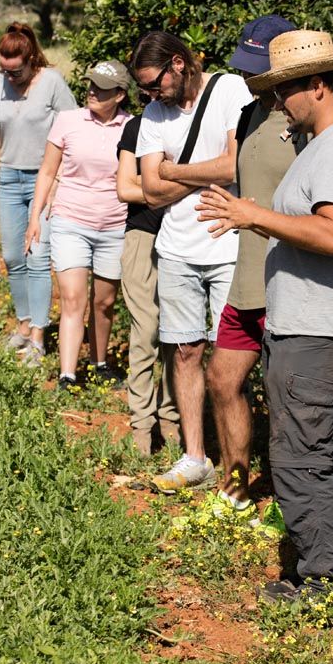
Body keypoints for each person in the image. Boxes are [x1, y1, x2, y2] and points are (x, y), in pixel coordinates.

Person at [197, 29, 333, 608]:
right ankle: (313, 571)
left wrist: (253, 215)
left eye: (287, 90)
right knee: (299, 448)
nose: (280, 102)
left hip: (320, 327)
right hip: (300, 322)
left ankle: (326, 583)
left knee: (302, 453)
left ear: (319, 85)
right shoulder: (322, 146)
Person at [132, 30, 253, 492]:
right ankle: (194, 457)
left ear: (179, 64)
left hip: (226, 244)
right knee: (185, 352)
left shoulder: (229, 90)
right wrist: (190, 175)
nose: (149, 93)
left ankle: (234, 466)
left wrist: (174, 170)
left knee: (231, 361)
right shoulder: (151, 114)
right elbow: (150, 189)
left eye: (154, 83)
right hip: (177, 247)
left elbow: (234, 165)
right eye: (144, 88)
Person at [205, 15, 298, 524]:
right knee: (222, 378)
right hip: (245, 277)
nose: (248, 77)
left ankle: (294, 508)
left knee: (287, 400)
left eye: (257, 69)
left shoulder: (307, 121)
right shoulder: (248, 114)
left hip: (287, 280)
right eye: (244, 66)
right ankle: (234, 488)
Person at [0, 22, 76, 366]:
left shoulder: (52, 83)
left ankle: (38, 337)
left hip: (44, 180)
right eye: (4, 69)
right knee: (13, 257)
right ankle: (23, 323)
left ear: (31, 59)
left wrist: (60, 180)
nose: (10, 77)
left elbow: (72, 131)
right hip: (10, 180)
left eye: (16, 71)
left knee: (36, 257)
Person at [26, 60, 132, 389]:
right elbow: (46, 171)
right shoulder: (67, 121)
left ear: (119, 95)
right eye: (90, 85)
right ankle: (67, 375)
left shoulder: (132, 127)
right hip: (70, 221)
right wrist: (36, 217)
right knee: (73, 299)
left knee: (104, 302)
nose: (91, 91)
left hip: (115, 226)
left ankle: (99, 364)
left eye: (101, 87)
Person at [116, 105, 181, 454]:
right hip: (142, 234)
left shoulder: (195, 122)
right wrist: (179, 183)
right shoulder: (137, 126)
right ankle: (142, 424)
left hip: (185, 237)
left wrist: (153, 182)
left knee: (181, 334)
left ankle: (171, 417)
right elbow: (125, 188)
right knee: (146, 330)